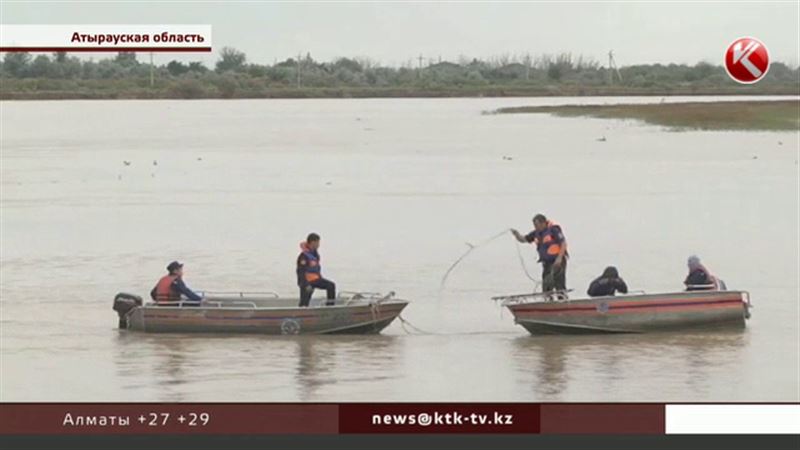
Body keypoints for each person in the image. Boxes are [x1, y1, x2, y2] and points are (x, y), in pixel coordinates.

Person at [511, 214, 568, 293]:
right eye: (534, 225)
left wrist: (559, 258)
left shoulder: (554, 230)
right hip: (547, 263)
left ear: (543, 223)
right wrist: (516, 234)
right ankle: (548, 301)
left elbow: (563, 243)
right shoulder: (536, 233)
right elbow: (523, 239)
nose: (535, 227)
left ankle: (562, 301)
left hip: (558, 261)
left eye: (537, 225)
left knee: (559, 283)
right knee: (546, 284)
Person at [296, 233, 336, 307]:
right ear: (312, 242)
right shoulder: (303, 256)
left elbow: (316, 269)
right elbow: (300, 272)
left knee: (331, 286)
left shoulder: (315, 254)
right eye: (318, 242)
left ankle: (330, 306)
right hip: (306, 281)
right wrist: (305, 284)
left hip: (315, 279)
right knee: (304, 303)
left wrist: (320, 277)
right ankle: (300, 314)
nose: (319, 245)